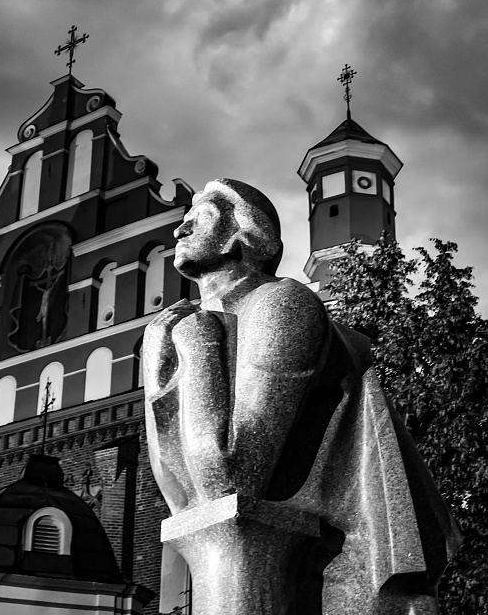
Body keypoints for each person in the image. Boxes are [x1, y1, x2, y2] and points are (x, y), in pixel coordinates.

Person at [144, 179, 460, 614]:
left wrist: (195, 344)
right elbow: (183, 498)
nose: (180, 230)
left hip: (330, 575)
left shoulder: (280, 303)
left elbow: (230, 476)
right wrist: (158, 355)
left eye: (202, 219)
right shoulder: (203, 320)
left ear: (243, 237)